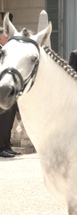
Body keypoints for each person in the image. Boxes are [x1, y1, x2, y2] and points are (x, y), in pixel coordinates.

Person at [0, 27, 20, 158]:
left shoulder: (7, 51)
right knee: (3, 120)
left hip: (10, 91)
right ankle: (1, 148)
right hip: (2, 90)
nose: (9, 39)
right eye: (7, 37)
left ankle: (7, 145)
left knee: (9, 120)